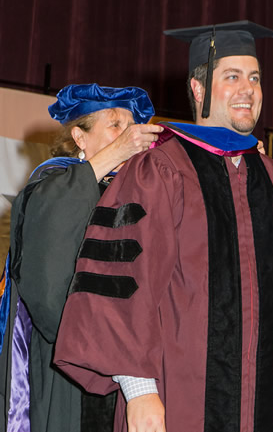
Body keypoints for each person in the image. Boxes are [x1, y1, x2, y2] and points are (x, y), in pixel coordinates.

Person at [53, 22, 273, 432]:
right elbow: (123, 283)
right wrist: (139, 391)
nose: (247, 89)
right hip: (177, 405)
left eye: (254, 78)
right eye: (231, 77)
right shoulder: (158, 172)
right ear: (198, 90)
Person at [0, 83, 163, 432]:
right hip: (71, 366)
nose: (128, 134)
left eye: (130, 126)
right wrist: (103, 349)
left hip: (135, 368)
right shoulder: (52, 185)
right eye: (115, 124)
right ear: (79, 136)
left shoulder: (135, 195)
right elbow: (47, 293)